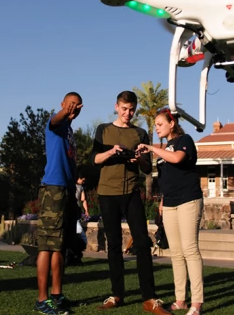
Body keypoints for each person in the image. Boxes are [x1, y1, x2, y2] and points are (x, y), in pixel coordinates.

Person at [91, 91, 171, 315]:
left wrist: (139, 159)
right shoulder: (103, 130)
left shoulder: (140, 133)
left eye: (131, 109)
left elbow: (147, 168)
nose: (128, 113)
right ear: (116, 107)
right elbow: (94, 159)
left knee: (143, 243)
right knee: (114, 245)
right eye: (124, 109)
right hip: (107, 193)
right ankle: (116, 295)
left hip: (132, 193)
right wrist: (111, 152)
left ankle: (149, 298)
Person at [137, 108, 204, 315]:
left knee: (190, 250)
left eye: (159, 124)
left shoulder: (185, 140)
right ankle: (181, 299)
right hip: (170, 203)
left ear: (171, 123)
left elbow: (177, 159)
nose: (156, 128)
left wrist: (151, 148)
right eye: (156, 125)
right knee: (175, 252)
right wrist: (162, 203)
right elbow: (167, 180)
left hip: (189, 200)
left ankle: (197, 303)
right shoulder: (165, 148)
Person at [35, 92, 83, 315]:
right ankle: (42, 299)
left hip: (66, 191)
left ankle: (57, 295)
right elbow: (55, 120)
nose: (73, 108)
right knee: (46, 245)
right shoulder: (54, 124)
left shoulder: (70, 132)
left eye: (77, 105)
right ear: (62, 105)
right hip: (52, 190)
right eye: (70, 104)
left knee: (60, 245)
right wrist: (66, 113)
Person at [76, 175, 89, 247]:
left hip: (73, 210)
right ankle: (84, 243)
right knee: (79, 230)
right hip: (74, 210)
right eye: (82, 180)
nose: (83, 182)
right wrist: (86, 210)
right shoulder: (80, 187)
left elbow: (83, 199)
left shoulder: (80, 187)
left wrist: (86, 210)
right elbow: (83, 199)